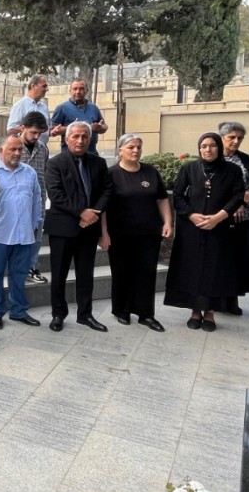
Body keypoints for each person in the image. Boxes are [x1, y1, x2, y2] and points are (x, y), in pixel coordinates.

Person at [163, 132, 246, 331]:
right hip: (192, 228)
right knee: (192, 268)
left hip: (220, 227)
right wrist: (192, 215)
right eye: (203, 146)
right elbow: (179, 196)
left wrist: (218, 217)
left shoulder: (232, 170)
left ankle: (210, 312)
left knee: (214, 269)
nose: (207, 150)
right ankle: (194, 310)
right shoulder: (189, 168)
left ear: (219, 147)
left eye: (212, 146)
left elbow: (237, 197)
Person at [100, 134, 172, 331]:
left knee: (147, 273)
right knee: (122, 272)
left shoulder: (150, 172)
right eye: (131, 147)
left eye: (138, 147)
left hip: (149, 233)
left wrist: (167, 222)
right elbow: (103, 207)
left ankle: (146, 314)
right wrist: (103, 233)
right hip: (120, 233)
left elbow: (162, 199)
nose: (135, 150)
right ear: (120, 150)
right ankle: (121, 310)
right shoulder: (111, 174)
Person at [45, 121, 112, 331]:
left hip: (89, 229)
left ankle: (85, 314)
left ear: (90, 139)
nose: (80, 140)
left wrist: (93, 213)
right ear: (66, 139)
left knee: (85, 274)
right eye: (75, 136)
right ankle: (58, 314)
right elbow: (56, 194)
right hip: (62, 229)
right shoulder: (55, 163)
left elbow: (107, 191)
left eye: (85, 137)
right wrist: (81, 212)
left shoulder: (98, 163)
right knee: (59, 275)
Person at [0, 136, 45, 329]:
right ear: (1, 151)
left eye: (20, 149)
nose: (17, 153)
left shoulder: (29, 172)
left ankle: (18, 311)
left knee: (19, 274)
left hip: (24, 233)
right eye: (12, 149)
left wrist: (36, 224)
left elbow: (37, 199)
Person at [218, 121, 249, 314]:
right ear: (222, 138)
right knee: (222, 260)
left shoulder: (246, 160)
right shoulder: (213, 158)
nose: (236, 141)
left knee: (239, 260)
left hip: (243, 219)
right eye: (231, 137)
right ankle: (218, 300)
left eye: (239, 138)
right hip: (221, 218)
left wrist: (247, 198)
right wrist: (236, 201)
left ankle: (233, 300)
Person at [18, 111, 51, 284]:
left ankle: (31, 268)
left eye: (39, 133)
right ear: (23, 128)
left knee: (37, 237)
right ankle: (17, 269)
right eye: (33, 132)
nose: (36, 136)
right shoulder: (11, 146)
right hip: (16, 201)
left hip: (37, 201)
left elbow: (45, 173)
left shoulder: (43, 148)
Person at [50, 78, 108, 149]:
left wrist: (100, 127)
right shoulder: (62, 108)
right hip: (70, 154)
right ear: (70, 91)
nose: (78, 91)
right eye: (75, 89)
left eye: (81, 89)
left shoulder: (94, 108)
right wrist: (72, 128)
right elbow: (53, 129)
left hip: (91, 153)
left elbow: (104, 126)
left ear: (87, 91)